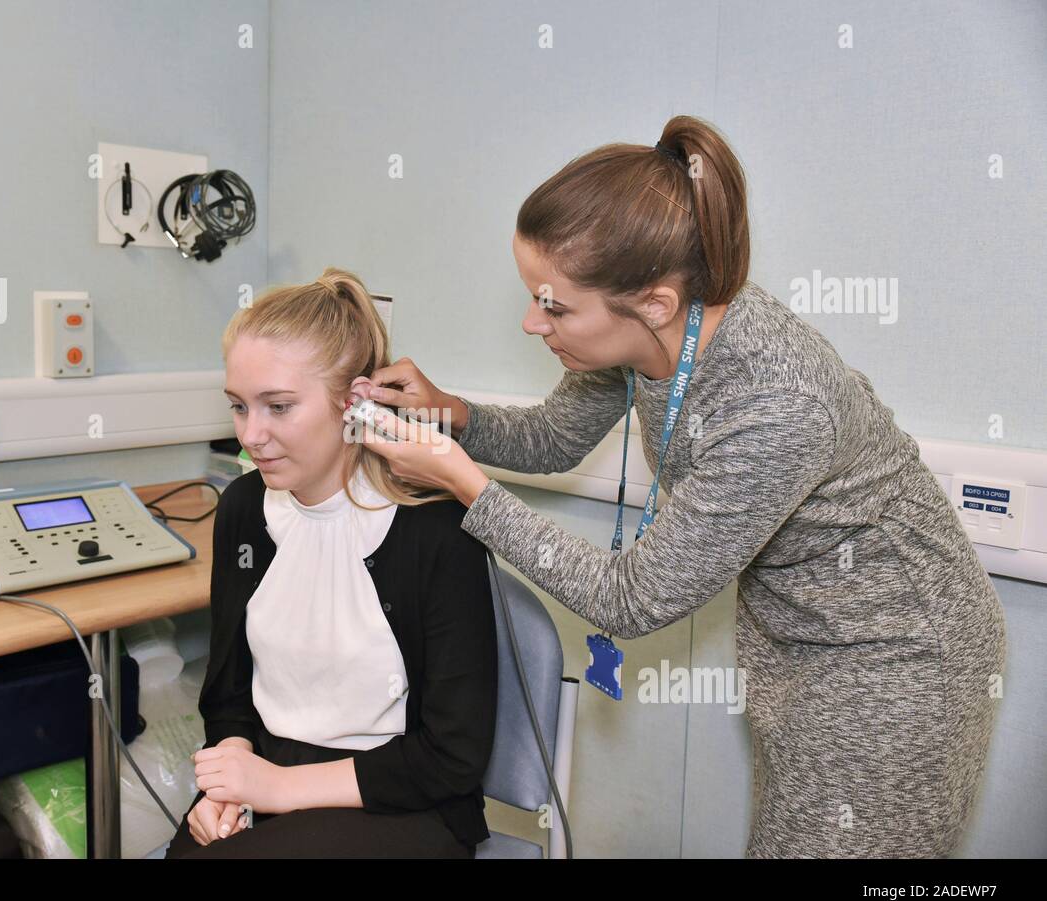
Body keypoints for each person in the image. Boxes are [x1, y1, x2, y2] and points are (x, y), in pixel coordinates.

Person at [351, 115, 1007, 858]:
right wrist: (450, 413)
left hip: (896, 658)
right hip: (798, 641)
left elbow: (627, 600)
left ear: (655, 303)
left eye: (555, 306)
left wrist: (464, 485)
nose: (534, 323)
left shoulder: (776, 402)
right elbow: (553, 438)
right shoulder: (649, 331)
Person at [166, 268, 498, 859]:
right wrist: (233, 775)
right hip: (269, 774)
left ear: (356, 405)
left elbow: (452, 757)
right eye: (239, 407)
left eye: (279, 407)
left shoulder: (436, 527)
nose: (252, 436)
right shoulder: (244, 508)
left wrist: (277, 787)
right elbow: (228, 694)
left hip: (403, 800)